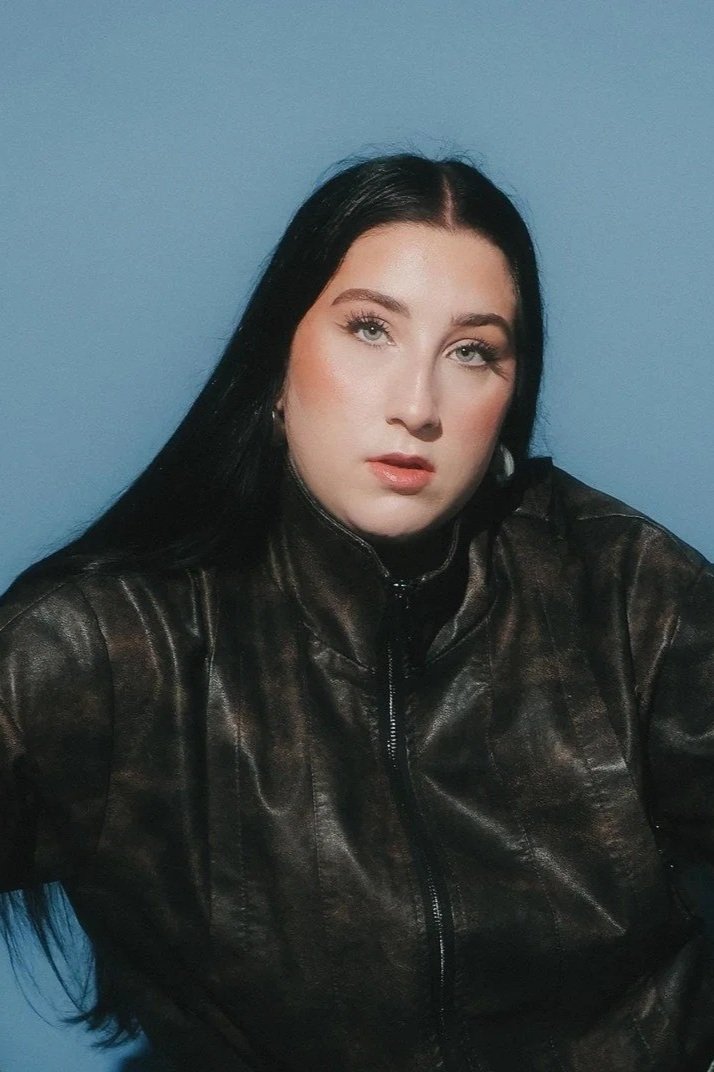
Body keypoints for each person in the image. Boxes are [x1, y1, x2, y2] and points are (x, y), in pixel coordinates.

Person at [0, 153, 712, 1072]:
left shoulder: (624, 595)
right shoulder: (110, 646)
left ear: (511, 394)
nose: (416, 407)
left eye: (471, 352)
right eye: (370, 330)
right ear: (274, 364)